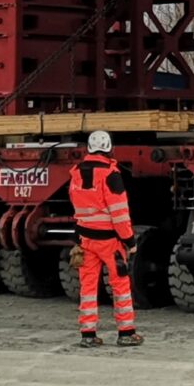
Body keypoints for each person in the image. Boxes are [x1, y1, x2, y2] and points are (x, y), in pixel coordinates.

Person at [69, 129, 140, 347]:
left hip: (86, 240)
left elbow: (76, 206)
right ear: (109, 148)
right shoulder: (111, 174)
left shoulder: (76, 173)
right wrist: (129, 241)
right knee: (120, 285)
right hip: (110, 242)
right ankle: (126, 332)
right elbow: (119, 212)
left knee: (88, 287)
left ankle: (88, 334)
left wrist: (78, 235)